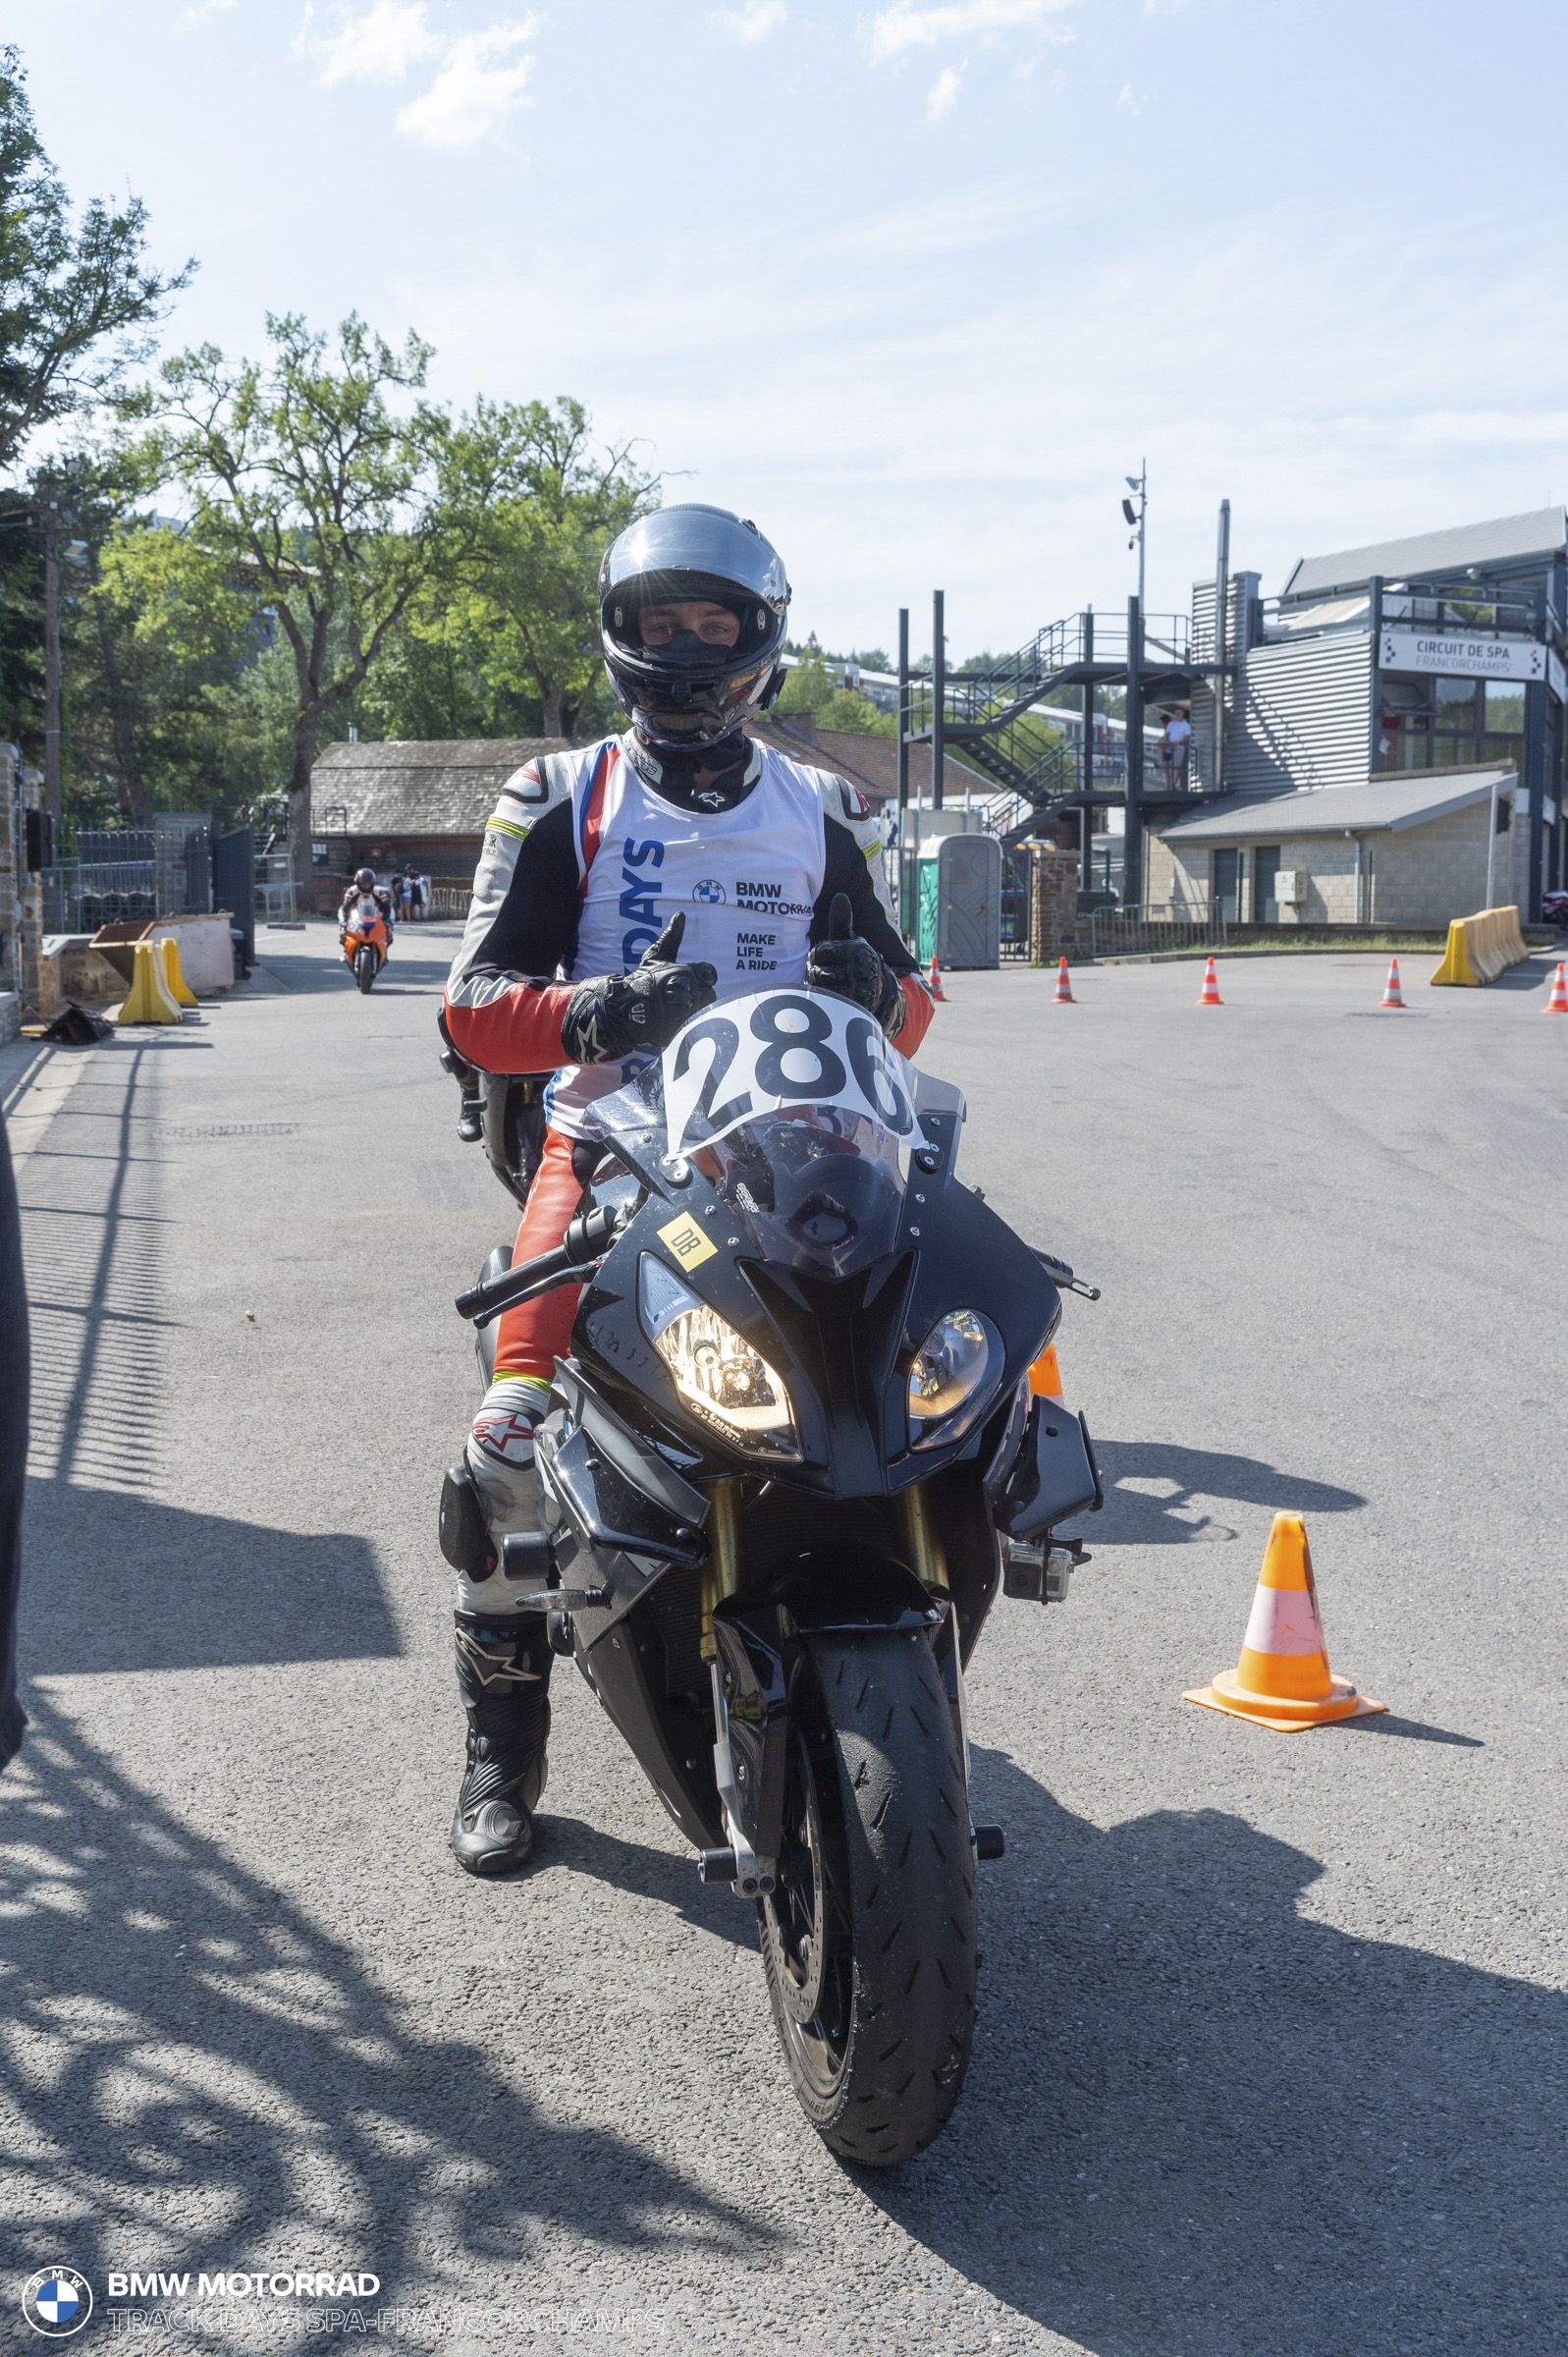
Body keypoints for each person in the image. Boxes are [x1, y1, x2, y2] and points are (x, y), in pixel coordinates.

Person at [439, 503, 935, 1876]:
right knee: (504, 1454)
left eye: (715, 622)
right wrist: (593, 1011)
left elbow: (908, 1012)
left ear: (759, 640)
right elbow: (472, 1009)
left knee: (929, 1382)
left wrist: (880, 990)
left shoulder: (825, 805)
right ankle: (502, 1748)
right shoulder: (557, 791)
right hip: (610, 1150)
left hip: (802, 1158)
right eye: (666, 621)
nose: (691, 647)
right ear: (624, 636)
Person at [338, 867, 394, 944]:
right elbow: (344, 908)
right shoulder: (351, 891)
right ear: (357, 883)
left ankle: (384, 948)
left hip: (376, 918)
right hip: (356, 919)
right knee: (343, 936)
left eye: (368, 884)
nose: (365, 886)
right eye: (363, 883)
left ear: (372, 883)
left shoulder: (380, 892)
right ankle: (347, 949)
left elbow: (387, 908)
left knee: (388, 936)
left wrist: (387, 922)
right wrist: (344, 922)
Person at [1161, 708, 1192, 789]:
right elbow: (1167, 734)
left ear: (1183, 714)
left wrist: (1178, 743)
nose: (1177, 714)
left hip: (1179, 746)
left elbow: (1186, 738)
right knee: (1165, 763)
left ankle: (1173, 784)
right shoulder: (1171, 723)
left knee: (1177, 766)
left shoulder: (1186, 725)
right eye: (1176, 713)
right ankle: (1167, 784)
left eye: (1179, 713)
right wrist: (1167, 741)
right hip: (1170, 745)